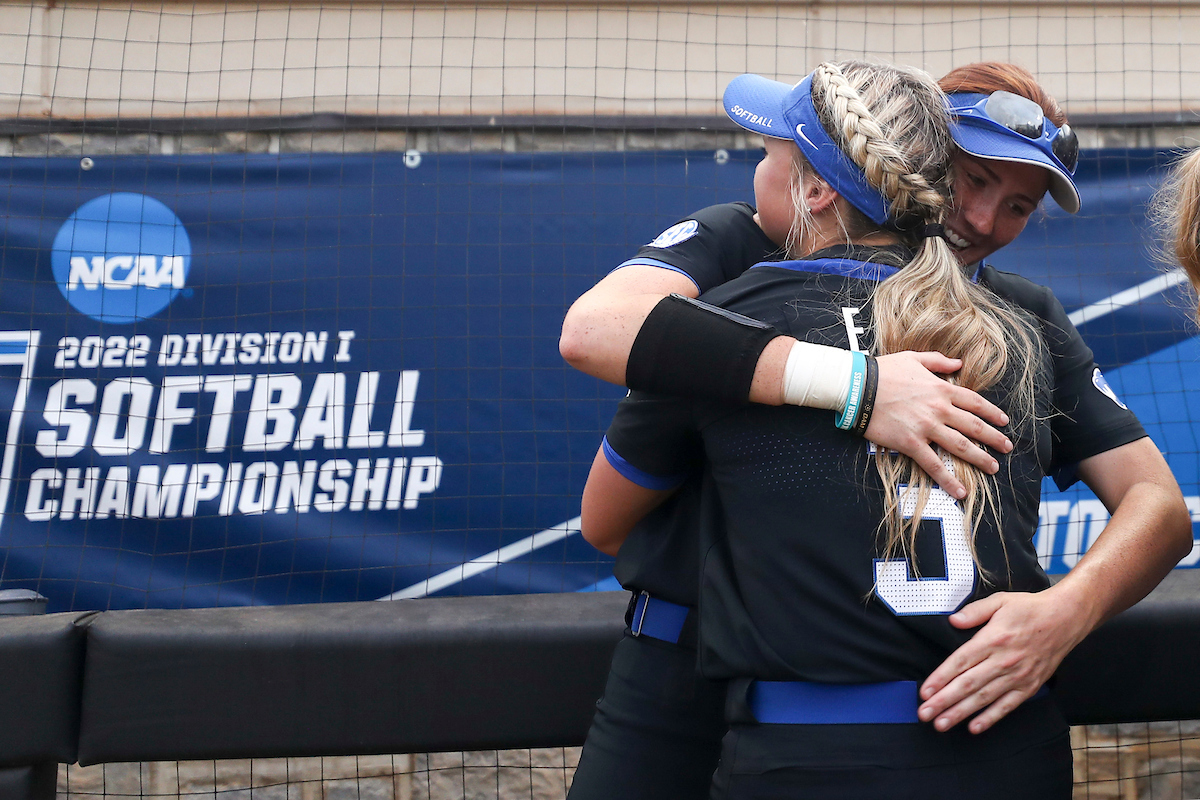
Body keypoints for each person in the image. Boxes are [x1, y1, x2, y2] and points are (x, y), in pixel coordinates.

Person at [585, 60, 1192, 799]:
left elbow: (1158, 505)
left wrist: (1067, 609)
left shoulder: (1018, 320)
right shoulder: (739, 253)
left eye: (1019, 206)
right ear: (915, 153)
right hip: (688, 651)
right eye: (974, 180)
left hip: (879, 701)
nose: (982, 221)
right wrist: (857, 387)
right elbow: (597, 333)